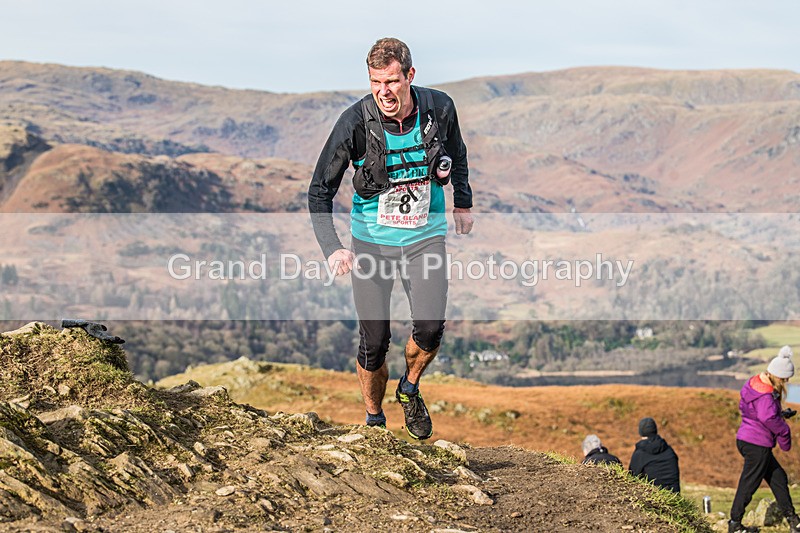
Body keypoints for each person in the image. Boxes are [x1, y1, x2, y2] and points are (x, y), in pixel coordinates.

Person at [308, 37, 473, 440]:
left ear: (410, 76)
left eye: (392, 81)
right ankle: (374, 420)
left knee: (431, 328)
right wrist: (332, 249)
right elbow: (318, 191)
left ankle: (410, 387)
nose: (384, 91)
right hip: (371, 245)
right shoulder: (354, 123)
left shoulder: (439, 108)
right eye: (375, 82)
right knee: (374, 342)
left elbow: (459, 153)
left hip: (424, 238)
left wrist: (463, 203)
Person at [728, 346, 800, 533]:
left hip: (747, 439)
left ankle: (794, 522)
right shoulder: (766, 395)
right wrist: (784, 431)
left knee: (778, 479)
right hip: (756, 444)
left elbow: (758, 413)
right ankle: (734, 524)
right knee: (749, 483)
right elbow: (767, 417)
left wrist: (780, 413)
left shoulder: (754, 384)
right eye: (785, 379)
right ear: (777, 376)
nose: (786, 382)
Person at [629, 417, 680, 493]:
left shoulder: (640, 454)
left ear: (640, 432)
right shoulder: (669, 450)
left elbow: (631, 478)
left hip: (652, 497)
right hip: (673, 496)